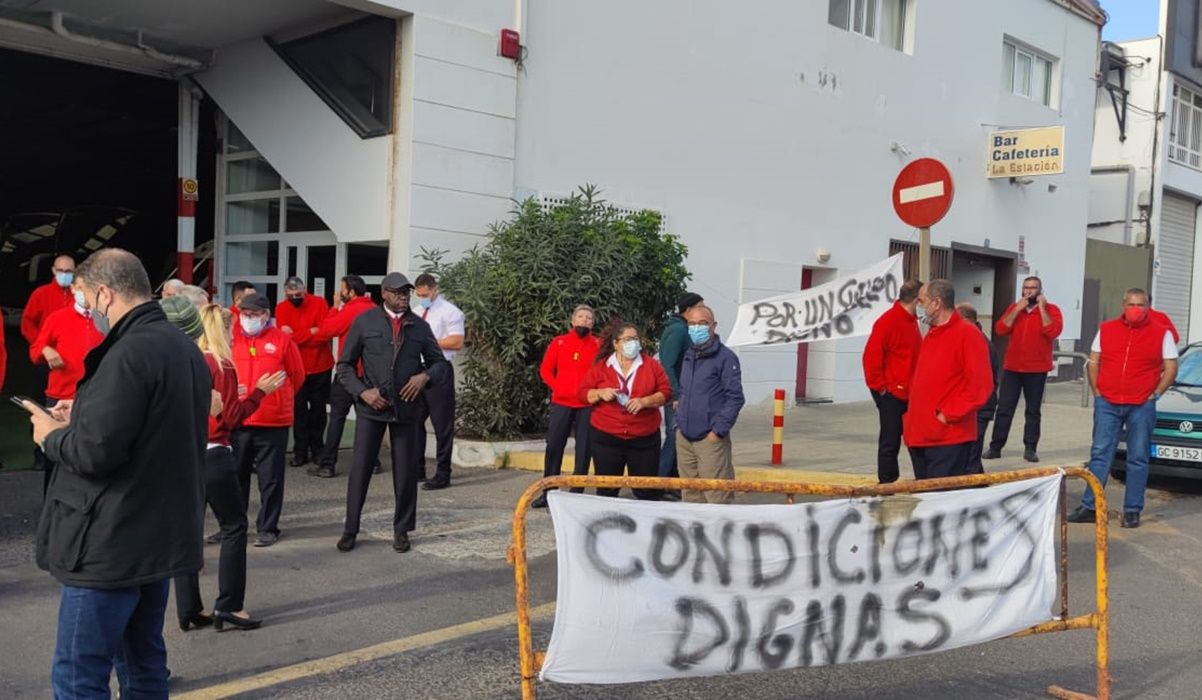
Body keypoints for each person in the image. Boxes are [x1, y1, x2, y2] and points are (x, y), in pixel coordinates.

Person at [26, 248, 209, 698]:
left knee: (78, 674)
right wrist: (84, 409)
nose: (85, 306)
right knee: (144, 662)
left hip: (109, 544)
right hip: (156, 537)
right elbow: (148, 427)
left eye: (86, 296)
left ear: (105, 293)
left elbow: (94, 454)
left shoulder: (126, 353)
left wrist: (50, 435)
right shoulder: (181, 347)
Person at [166, 300, 287, 633]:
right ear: (222, 331)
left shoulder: (185, 362)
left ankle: (188, 608)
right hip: (215, 452)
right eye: (232, 327)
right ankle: (230, 605)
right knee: (234, 527)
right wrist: (260, 393)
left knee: (187, 531)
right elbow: (231, 418)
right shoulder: (223, 366)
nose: (236, 332)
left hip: (182, 455)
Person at [335, 272, 447, 553]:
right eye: (397, 293)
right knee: (360, 471)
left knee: (406, 472)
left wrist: (424, 377)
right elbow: (345, 366)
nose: (403, 297)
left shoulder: (419, 326)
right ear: (384, 293)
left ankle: (402, 530)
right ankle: (350, 529)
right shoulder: (364, 322)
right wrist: (363, 392)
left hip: (407, 410)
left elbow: (439, 364)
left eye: (406, 293)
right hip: (371, 408)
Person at [1069, 288, 1178, 529]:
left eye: (1141, 304)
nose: (1136, 309)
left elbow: (1171, 368)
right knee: (1100, 455)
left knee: (1137, 458)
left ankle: (1132, 511)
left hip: (1141, 405)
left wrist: (1155, 394)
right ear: (1123, 305)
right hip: (1107, 402)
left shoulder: (1162, 333)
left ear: (1148, 306)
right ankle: (1090, 506)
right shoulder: (1107, 329)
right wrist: (1097, 392)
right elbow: (1094, 360)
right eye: (1132, 304)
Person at [230, 293, 306, 548]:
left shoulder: (282, 340)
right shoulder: (233, 339)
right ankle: (233, 526)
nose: (248, 319)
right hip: (238, 418)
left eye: (253, 315)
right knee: (235, 477)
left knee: (270, 479)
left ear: (265, 315)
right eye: (244, 315)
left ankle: (268, 527)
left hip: (272, 420)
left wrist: (278, 400)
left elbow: (297, 376)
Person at [902, 279, 994, 479]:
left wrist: (946, 415)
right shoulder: (932, 334)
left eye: (922, 301)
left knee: (941, 501)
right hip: (921, 435)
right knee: (926, 500)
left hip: (947, 438)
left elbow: (980, 386)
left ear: (936, 303)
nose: (919, 306)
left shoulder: (967, 334)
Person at [577, 321, 671, 500]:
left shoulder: (651, 365)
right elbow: (582, 394)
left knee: (646, 491)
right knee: (607, 490)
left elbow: (665, 392)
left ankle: (645, 524)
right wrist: (599, 393)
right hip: (606, 438)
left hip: (644, 439)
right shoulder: (602, 366)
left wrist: (645, 401)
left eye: (635, 339)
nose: (632, 343)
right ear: (616, 343)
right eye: (627, 339)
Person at [29, 282, 104, 493]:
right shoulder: (57, 318)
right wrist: (46, 350)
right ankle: (51, 510)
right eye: (80, 286)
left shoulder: (104, 320)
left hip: (92, 397)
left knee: (89, 455)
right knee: (54, 459)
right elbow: (34, 352)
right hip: (60, 397)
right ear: (73, 289)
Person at [985, 276, 1063, 463]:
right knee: (1004, 409)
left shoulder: (1052, 310)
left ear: (1040, 290)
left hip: (1037, 369)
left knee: (1033, 410)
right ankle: (996, 446)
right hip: (1013, 367)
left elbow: (1052, 332)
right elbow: (1000, 329)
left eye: (1033, 288)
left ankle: (1030, 448)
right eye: (1026, 287)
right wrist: (1018, 309)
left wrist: (1042, 308)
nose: (1029, 291)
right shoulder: (1015, 308)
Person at [531, 305, 600, 509]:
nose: (584, 320)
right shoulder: (559, 342)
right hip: (561, 403)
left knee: (584, 449)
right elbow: (545, 370)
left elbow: (602, 373)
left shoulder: (598, 344)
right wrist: (558, 387)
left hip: (586, 404)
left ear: (593, 323)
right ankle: (548, 492)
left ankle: (576, 493)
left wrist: (594, 392)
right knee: (554, 447)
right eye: (580, 316)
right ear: (572, 320)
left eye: (589, 318)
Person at [309, 275, 377, 478]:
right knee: (368, 420)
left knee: (337, 418)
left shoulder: (350, 310)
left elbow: (325, 331)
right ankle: (372, 461)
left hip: (348, 374)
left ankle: (327, 464)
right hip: (370, 375)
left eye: (342, 290)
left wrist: (334, 307)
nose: (339, 294)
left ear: (351, 292)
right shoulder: (375, 309)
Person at [675, 305, 745, 503]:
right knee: (690, 493)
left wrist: (717, 432)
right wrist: (679, 422)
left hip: (710, 440)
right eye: (692, 324)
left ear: (713, 326)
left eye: (702, 324)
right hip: (685, 437)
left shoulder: (726, 358)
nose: (696, 328)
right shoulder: (689, 355)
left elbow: (735, 398)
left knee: (717, 495)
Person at [861, 279, 922, 484]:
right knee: (890, 439)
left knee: (915, 437)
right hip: (893, 392)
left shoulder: (911, 320)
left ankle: (923, 477)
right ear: (916, 300)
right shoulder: (889, 321)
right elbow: (871, 357)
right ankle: (886, 481)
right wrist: (881, 389)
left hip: (910, 391)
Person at [412, 273, 465, 490]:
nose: (422, 297)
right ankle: (417, 468)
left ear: (434, 290)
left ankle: (443, 473)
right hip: (417, 369)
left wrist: (428, 343)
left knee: (442, 425)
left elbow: (456, 341)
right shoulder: (415, 312)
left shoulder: (451, 312)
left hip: (439, 368)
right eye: (419, 294)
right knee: (414, 420)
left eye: (425, 294)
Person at [276, 277, 334, 468]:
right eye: (290, 295)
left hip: (320, 366)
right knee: (298, 412)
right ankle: (300, 451)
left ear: (305, 290)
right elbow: (285, 339)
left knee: (318, 412)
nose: (294, 298)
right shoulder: (282, 308)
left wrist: (297, 335)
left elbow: (324, 334)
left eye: (298, 294)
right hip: (295, 368)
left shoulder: (319, 303)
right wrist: (311, 331)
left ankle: (318, 450)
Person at [657, 292, 704, 499]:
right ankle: (660, 483)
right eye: (699, 306)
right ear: (688, 309)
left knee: (680, 438)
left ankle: (673, 482)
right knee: (674, 438)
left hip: (685, 393)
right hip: (677, 395)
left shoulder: (685, 329)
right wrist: (676, 393)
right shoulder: (677, 331)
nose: (703, 309)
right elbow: (667, 363)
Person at [957, 303, 1001, 474]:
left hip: (979, 407)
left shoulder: (978, 341)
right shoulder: (973, 337)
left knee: (971, 453)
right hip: (977, 405)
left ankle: (975, 488)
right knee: (969, 452)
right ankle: (977, 484)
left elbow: (979, 380)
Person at [21, 255, 76, 348]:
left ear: (75, 271)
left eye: (68, 271)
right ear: (53, 270)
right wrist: (42, 345)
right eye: (60, 271)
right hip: (48, 355)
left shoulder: (82, 294)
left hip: (74, 352)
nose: (64, 274)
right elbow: (27, 322)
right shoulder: (40, 293)